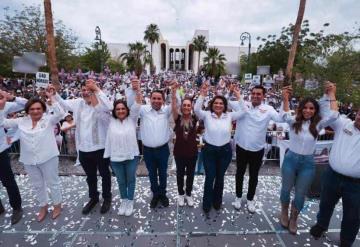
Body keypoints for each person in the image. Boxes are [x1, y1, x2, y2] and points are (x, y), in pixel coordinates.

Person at [280, 83, 339, 234]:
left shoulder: (318, 124)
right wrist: (285, 98)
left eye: (311, 108)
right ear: (300, 108)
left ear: (315, 110)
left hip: (307, 163)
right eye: (305, 107)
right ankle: (284, 212)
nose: (308, 110)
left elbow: (334, 115)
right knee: (286, 189)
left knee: (300, 193)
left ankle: (294, 218)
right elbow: (284, 114)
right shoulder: (294, 121)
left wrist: (332, 94)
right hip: (290, 160)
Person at [0, 87, 64, 222]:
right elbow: (3, 123)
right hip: (29, 160)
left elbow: (60, 114)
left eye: (38, 109)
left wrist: (52, 97)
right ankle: (43, 206)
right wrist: (1, 108)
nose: (35, 111)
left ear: (43, 109)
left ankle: (57, 205)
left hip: (48, 157)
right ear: (28, 111)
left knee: (53, 183)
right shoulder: (22, 121)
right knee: (37, 184)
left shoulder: (49, 120)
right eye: (32, 109)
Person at [55, 80, 113, 215]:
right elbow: (63, 103)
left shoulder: (101, 104)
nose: (86, 92)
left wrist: (97, 90)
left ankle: (107, 198)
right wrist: (54, 95)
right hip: (84, 149)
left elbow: (110, 106)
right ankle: (93, 198)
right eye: (83, 90)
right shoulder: (78, 103)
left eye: (89, 90)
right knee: (90, 176)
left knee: (105, 175)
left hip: (100, 147)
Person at [310, 100, 360, 247]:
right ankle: (321, 225)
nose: (359, 118)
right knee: (325, 204)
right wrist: (331, 95)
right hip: (332, 175)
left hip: (356, 184)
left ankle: (346, 240)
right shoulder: (343, 123)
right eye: (359, 114)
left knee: (352, 215)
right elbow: (327, 113)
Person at [230, 85, 284, 213]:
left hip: (257, 149)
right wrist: (231, 91)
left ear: (263, 96)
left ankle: (250, 199)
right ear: (250, 94)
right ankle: (238, 197)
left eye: (258, 94)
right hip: (241, 147)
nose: (255, 96)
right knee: (239, 174)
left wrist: (284, 101)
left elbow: (280, 118)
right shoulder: (242, 105)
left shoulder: (268, 109)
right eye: (253, 93)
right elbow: (226, 101)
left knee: (254, 176)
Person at [194, 82, 245, 214]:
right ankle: (207, 202)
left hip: (225, 151)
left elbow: (244, 111)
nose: (218, 105)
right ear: (212, 104)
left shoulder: (229, 116)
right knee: (210, 177)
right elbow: (196, 110)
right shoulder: (206, 115)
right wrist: (202, 95)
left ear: (224, 106)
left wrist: (238, 95)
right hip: (209, 150)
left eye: (221, 103)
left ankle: (217, 201)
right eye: (216, 103)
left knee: (220, 177)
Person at [126, 78, 175, 209]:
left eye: (159, 99)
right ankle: (155, 194)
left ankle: (163, 194)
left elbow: (177, 104)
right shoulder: (143, 110)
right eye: (154, 98)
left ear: (163, 101)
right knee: (152, 174)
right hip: (147, 150)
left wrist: (175, 91)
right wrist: (134, 89)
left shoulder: (166, 111)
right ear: (150, 98)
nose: (156, 101)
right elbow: (131, 106)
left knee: (163, 173)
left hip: (163, 149)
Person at [103, 88, 142, 216]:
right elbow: (99, 108)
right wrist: (95, 91)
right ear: (114, 111)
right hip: (115, 158)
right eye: (118, 109)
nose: (120, 111)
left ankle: (130, 201)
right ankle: (123, 201)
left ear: (127, 110)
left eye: (123, 108)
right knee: (121, 181)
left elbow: (138, 103)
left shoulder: (132, 119)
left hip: (131, 157)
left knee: (130, 180)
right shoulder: (109, 121)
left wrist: (137, 90)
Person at [0, 90, 27, 225]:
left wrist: (12, 97)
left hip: (0, 152)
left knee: (8, 181)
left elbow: (27, 104)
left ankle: (16, 208)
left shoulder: (4, 105)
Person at [171, 81, 198, 207]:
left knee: (191, 175)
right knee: (180, 175)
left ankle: (188, 194)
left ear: (191, 107)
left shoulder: (195, 118)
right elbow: (173, 107)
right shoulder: (177, 118)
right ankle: (181, 194)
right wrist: (173, 93)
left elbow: (200, 106)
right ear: (182, 107)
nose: (186, 107)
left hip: (192, 153)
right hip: (179, 153)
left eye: (188, 105)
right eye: (184, 105)